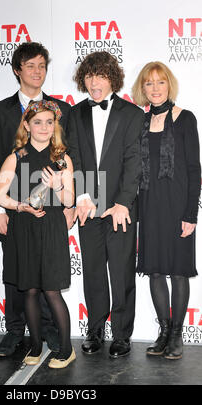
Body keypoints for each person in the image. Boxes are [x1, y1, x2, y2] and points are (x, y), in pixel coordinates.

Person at [0, 41, 79, 357]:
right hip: (18, 217)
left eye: (42, 65)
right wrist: (3, 207)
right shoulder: (1, 113)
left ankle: (55, 338)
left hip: (52, 218)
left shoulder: (60, 111)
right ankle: (18, 335)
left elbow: (73, 162)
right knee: (21, 281)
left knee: (49, 283)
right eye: (30, 65)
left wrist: (72, 202)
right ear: (17, 70)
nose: (37, 72)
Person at [71, 51, 144, 358]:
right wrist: (83, 196)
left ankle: (122, 333)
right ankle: (96, 329)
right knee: (93, 271)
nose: (94, 82)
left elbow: (134, 161)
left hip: (121, 209)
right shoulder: (75, 114)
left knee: (122, 270)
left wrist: (123, 202)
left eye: (101, 76)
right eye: (89, 76)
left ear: (112, 78)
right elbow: (73, 156)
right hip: (88, 207)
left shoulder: (132, 114)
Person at [132, 62, 201, 359]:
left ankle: (176, 334)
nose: (155, 88)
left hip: (177, 207)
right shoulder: (140, 122)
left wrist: (191, 214)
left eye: (160, 82)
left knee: (178, 272)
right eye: (149, 84)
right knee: (156, 271)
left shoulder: (185, 118)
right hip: (149, 205)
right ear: (143, 89)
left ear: (169, 85)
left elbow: (194, 169)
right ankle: (162, 331)